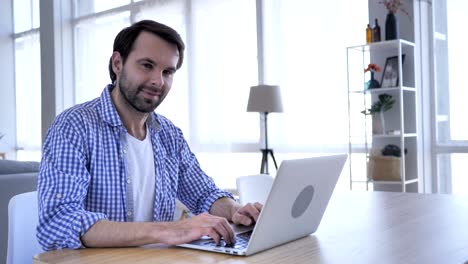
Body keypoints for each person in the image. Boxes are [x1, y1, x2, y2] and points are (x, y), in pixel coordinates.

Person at [37, 20, 262, 251]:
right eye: (146, 65)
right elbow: (57, 223)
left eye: (167, 72)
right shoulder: (73, 126)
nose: (158, 81)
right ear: (117, 64)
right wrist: (168, 230)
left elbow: (204, 193)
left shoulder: (169, 134)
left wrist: (236, 211)